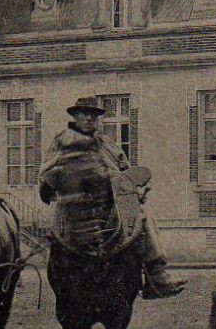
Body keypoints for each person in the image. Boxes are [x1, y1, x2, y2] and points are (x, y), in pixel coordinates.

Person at [39, 97, 184, 299]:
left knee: (143, 219)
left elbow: (127, 173)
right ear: (75, 116)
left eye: (94, 115)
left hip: (112, 203)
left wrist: (139, 188)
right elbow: (46, 176)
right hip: (73, 204)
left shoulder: (109, 146)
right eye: (84, 114)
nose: (90, 118)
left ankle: (156, 274)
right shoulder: (61, 143)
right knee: (58, 237)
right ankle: (59, 278)